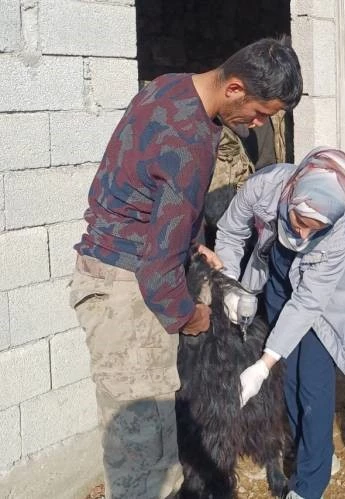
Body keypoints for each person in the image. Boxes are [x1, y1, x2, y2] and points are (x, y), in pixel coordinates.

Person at [68, 38, 302, 499]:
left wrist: (193, 244)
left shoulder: (168, 88)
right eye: (258, 113)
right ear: (234, 87)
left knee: (154, 442)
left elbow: (149, 188)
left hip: (112, 267)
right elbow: (157, 272)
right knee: (144, 455)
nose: (258, 125)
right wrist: (189, 316)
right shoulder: (191, 141)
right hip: (127, 290)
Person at [213, 147, 345, 499]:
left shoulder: (340, 233)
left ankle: (310, 485)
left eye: (316, 229)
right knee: (289, 381)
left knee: (312, 388)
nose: (305, 234)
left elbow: (308, 302)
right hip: (277, 276)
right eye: (300, 222)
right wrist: (230, 284)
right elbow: (231, 232)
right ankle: (313, 452)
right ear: (293, 192)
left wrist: (262, 365)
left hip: (321, 301)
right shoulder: (264, 186)